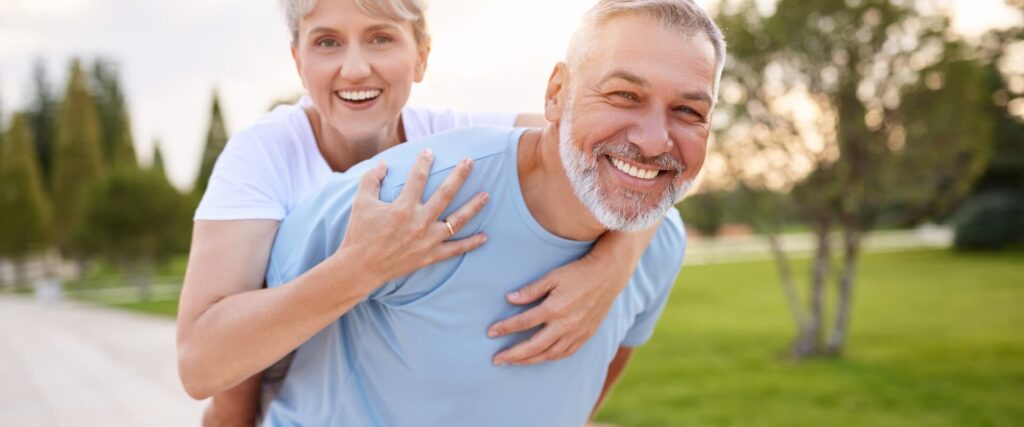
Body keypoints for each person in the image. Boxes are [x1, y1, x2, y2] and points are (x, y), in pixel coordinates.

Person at [176, 0, 665, 424]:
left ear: (421, 56)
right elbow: (200, 365)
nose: (354, 68)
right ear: (298, 61)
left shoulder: (453, 137)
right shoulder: (262, 155)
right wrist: (362, 268)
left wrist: (611, 267)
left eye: (381, 39)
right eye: (327, 42)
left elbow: (619, 156)